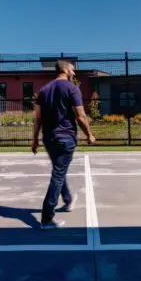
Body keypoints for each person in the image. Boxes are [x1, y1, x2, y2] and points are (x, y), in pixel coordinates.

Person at [32, 59, 96, 230]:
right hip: (65, 138)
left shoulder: (44, 90)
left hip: (49, 139)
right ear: (66, 69)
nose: (74, 73)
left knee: (59, 170)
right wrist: (89, 134)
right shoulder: (71, 89)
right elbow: (80, 116)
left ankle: (68, 200)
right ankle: (47, 218)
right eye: (73, 70)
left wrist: (34, 139)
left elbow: (37, 118)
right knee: (58, 175)